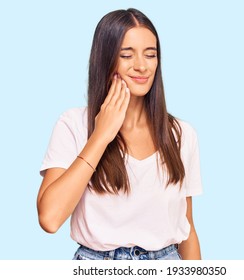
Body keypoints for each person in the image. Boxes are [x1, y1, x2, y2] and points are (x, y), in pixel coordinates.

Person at [37, 8, 203, 260]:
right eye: (127, 55)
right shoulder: (73, 124)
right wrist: (101, 135)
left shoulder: (181, 135)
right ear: (106, 59)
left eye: (150, 55)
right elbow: (49, 218)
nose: (141, 66)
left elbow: (187, 228)